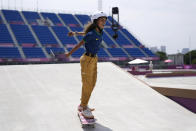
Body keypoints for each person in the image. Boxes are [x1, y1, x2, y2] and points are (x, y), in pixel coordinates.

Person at [65, 12, 107, 119]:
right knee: (87, 84)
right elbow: (80, 44)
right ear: (96, 21)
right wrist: (69, 54)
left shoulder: (99, 32)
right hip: (87, 60)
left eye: (105, 20)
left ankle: (83, 104)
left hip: (94, 59)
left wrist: (75, 33)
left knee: (92, 83)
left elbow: (85, 33)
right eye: (102, 20)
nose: (104, 22)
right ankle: (83, 107)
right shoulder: (91, 34)